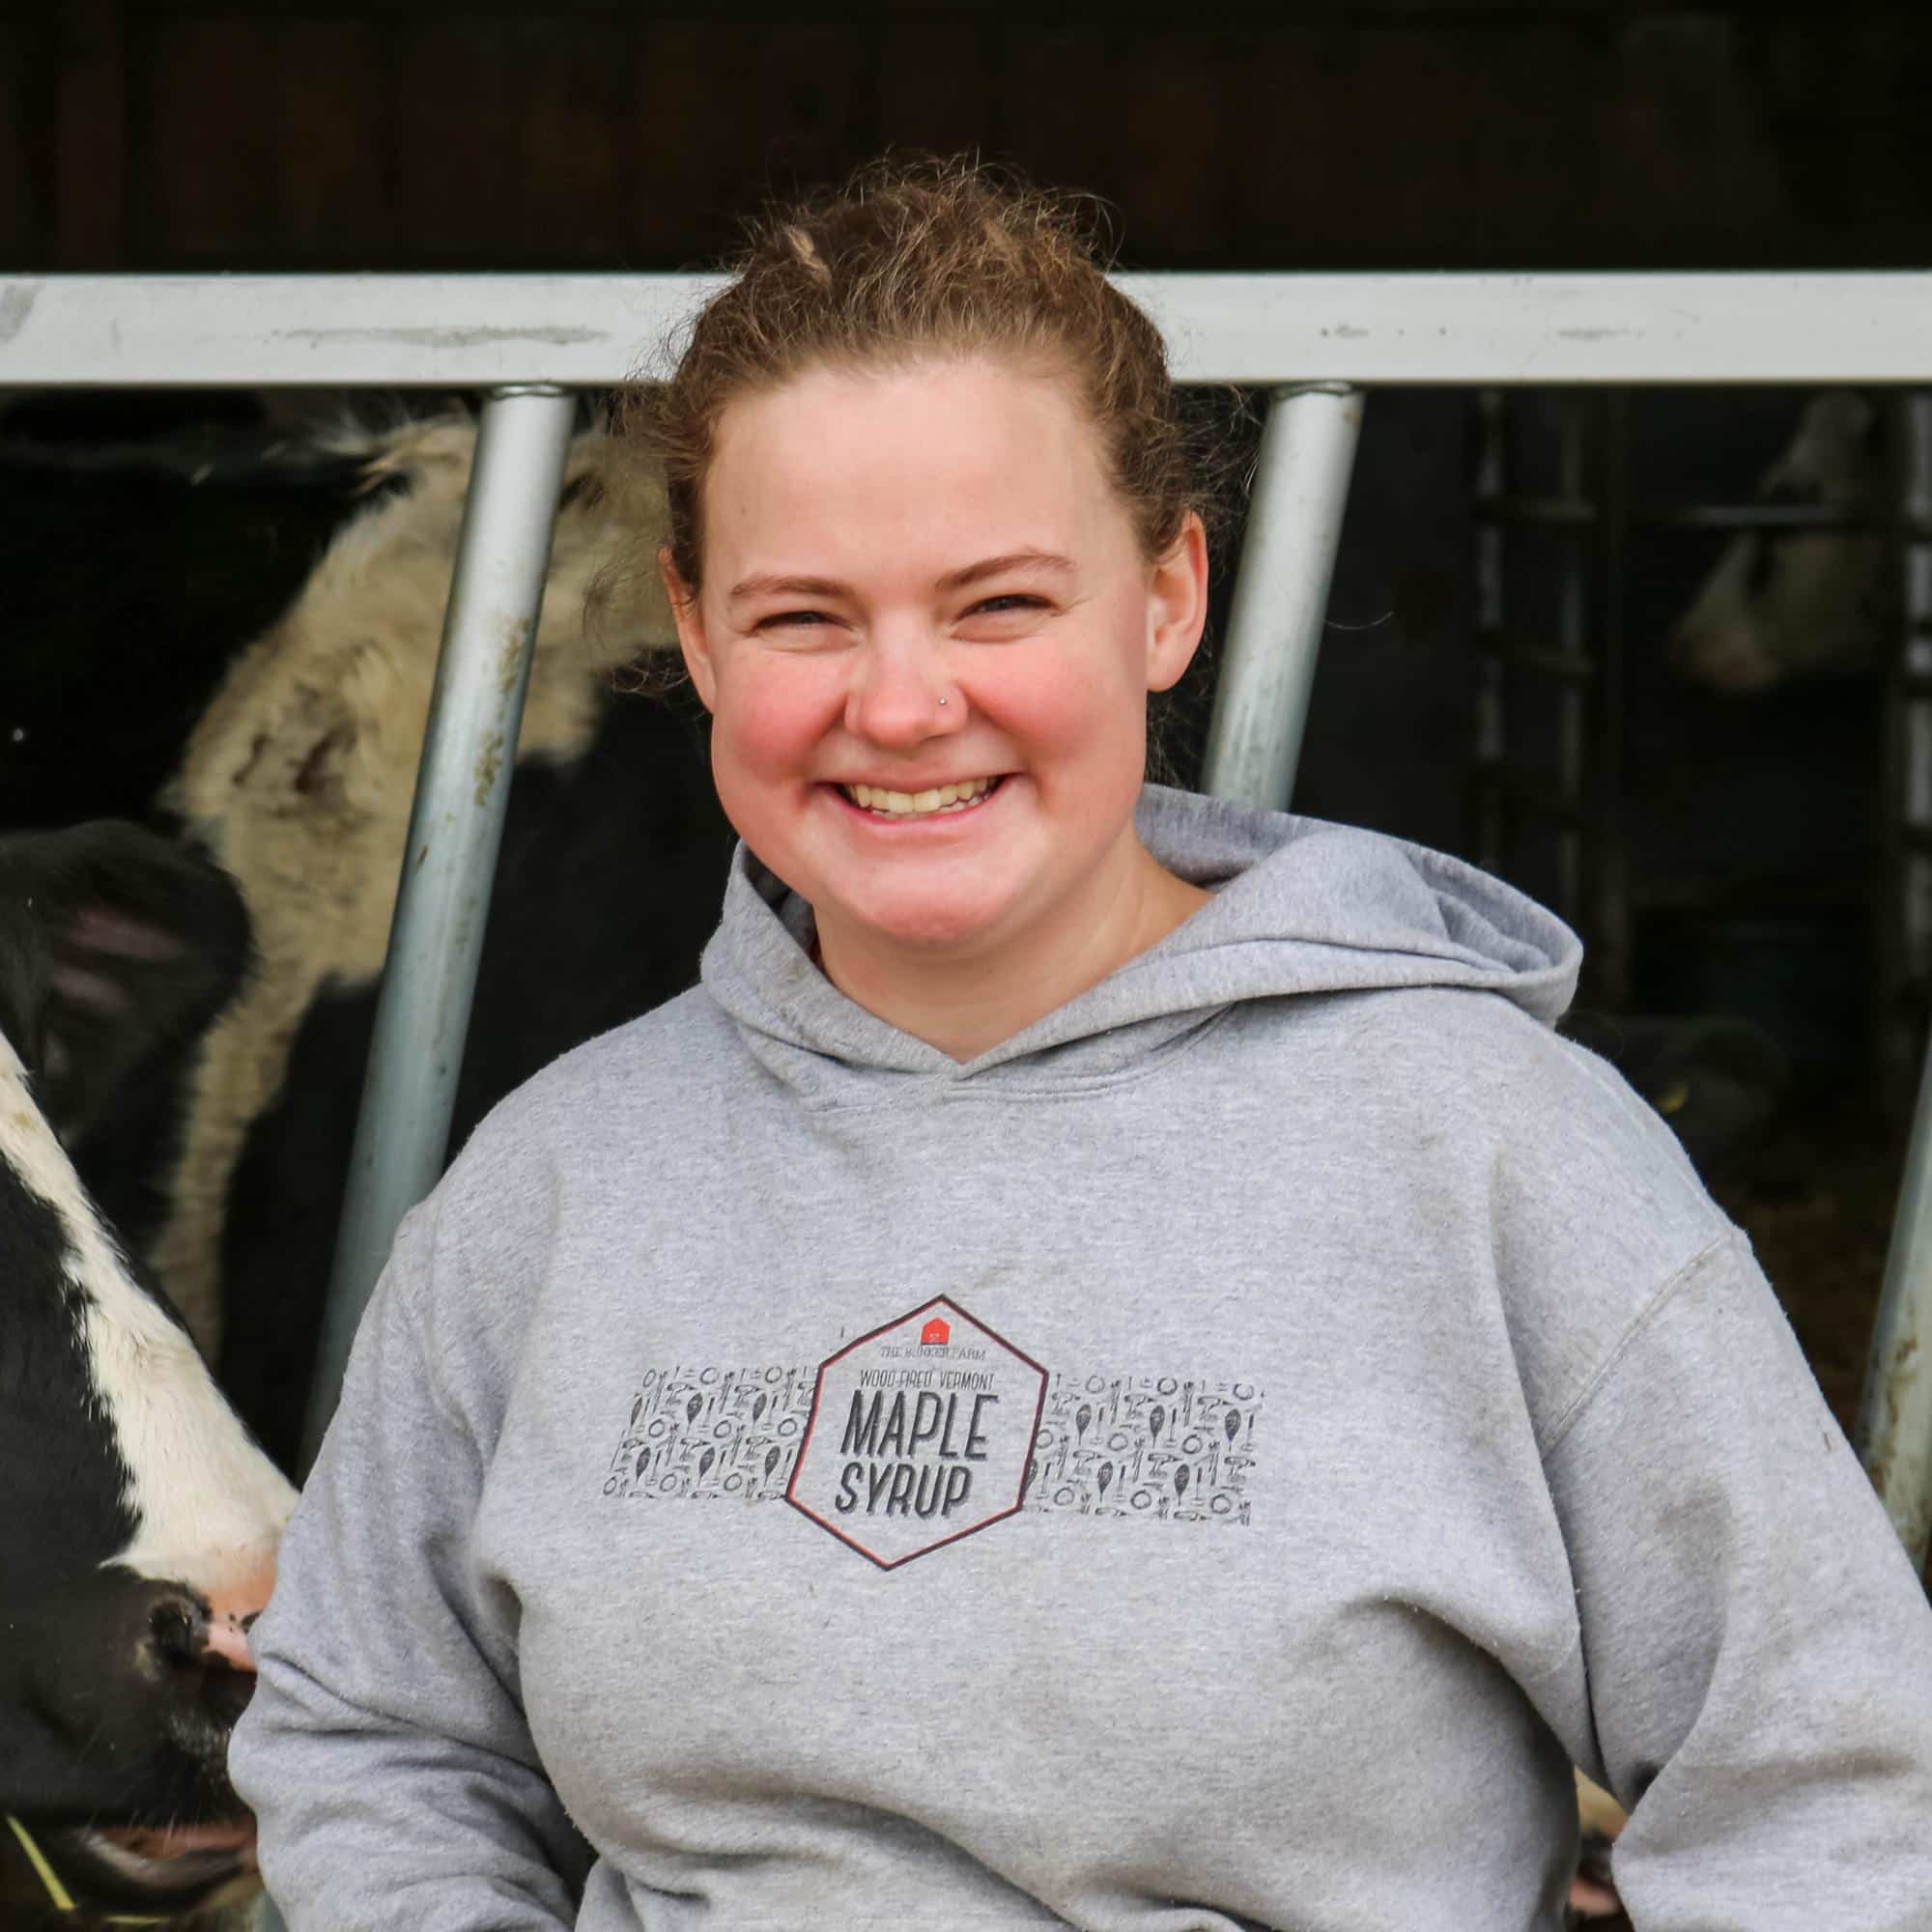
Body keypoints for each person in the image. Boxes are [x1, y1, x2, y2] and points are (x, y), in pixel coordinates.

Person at [231, 157, 1932, 1931]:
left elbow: (1825, 1793)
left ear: (1169, 597)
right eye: (804, 615)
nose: (900, 704)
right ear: (695, 635)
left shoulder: (1498, 1156)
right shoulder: (558, 1181)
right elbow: (376, 1736)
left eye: (999, 604)